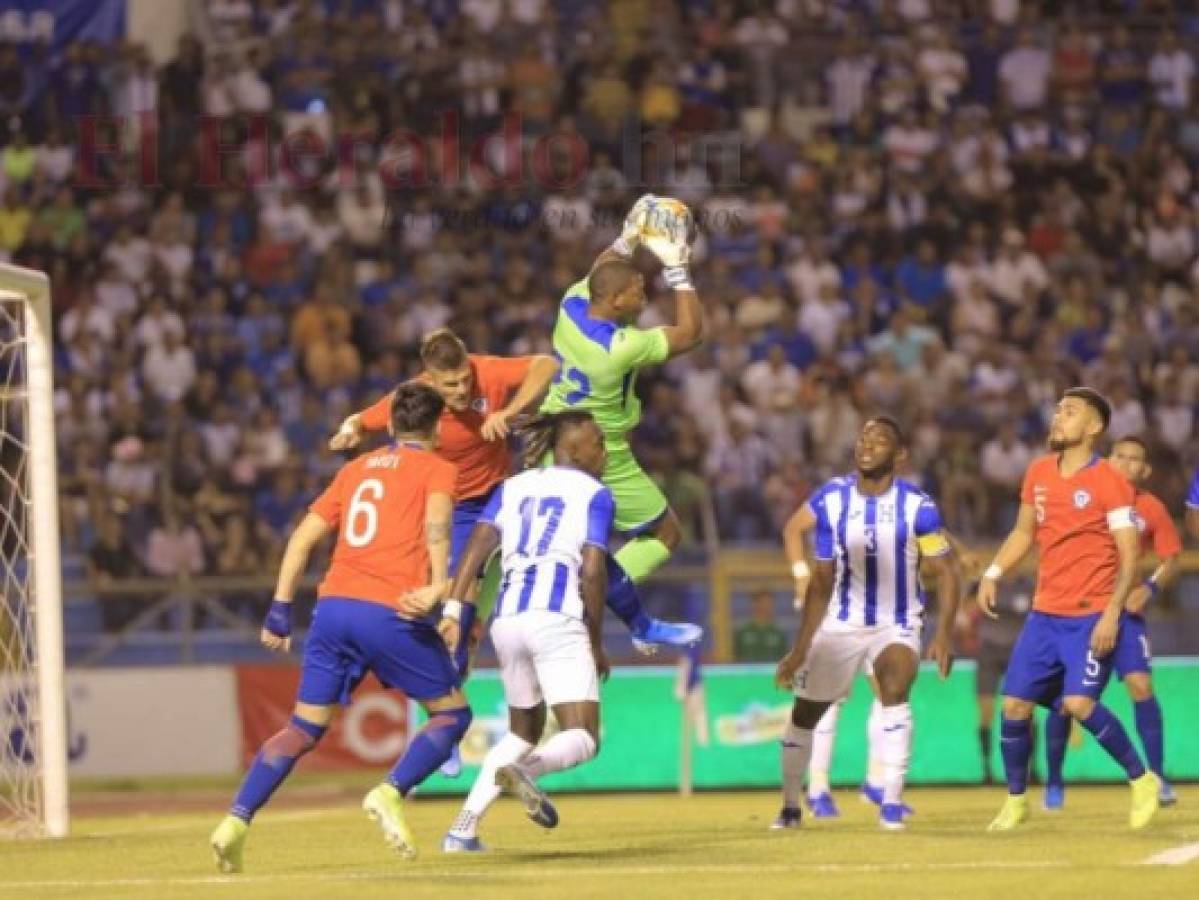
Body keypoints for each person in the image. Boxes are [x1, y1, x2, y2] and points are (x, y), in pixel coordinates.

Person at [210, 384, 472, 872]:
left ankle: (236, 820)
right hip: (389, 609)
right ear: (437, 428)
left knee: (303, 727)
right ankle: (391, 792)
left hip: (332, 610)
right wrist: (440, 586)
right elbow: (438, 522)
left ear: (390, 426)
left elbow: (303, 537)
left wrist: (280, 608)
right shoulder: (438, 469)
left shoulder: (354, 470)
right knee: (452, 715)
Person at [977, 388, 1159, 832]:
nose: (1058, 417)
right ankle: (1017, 800)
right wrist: (993, 572)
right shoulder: (1038, 472)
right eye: (1058, 410)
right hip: (1044, 616)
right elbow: (1024, 532)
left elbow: (1129, 551)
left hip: (1090, 615)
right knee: (1014, 707)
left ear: (1093, 428)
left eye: (1071, 412)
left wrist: (1113, 612)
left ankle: (1142, 779)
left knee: (1078, 703)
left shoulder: (1109, 482)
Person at [535, 194, 706, 650]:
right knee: (665, 532)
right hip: (601, 450)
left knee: (557, 543)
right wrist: (677, 267)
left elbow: (602, 268)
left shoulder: (571, 304)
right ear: (614, 302)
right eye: (635, 290)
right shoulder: (621, 347)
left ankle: (597, 595)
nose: (643, 292)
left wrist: (629, 235)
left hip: (552, 437)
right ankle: (613, 596)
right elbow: (691, 334)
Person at [773, 417, 961, 831]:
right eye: (862, 438)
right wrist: (801, 648)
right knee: (806, 713)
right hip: (841, 623)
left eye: (879, 440)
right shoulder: (831, 500)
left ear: (900, 455)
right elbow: (822, 581)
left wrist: (944, 634)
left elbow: (947, 572)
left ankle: (890, 803)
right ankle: (791, 804)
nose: (867, 445)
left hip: (897, 622)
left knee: (895, 688)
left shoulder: (918, 507)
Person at [439, 411, 613, 852]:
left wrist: (454, 610)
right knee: (585, 734)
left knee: (520, 733)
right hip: (556, 618)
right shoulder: (595, 493)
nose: (605, 451)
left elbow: (477, 548)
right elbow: (593, 569)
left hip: (508, 621)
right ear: (573, 448)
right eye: (599, 442)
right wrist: (595, 641)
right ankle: (528, 772)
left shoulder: (511, 486)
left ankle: (463, 829)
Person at [1043, 435, 1181, 808]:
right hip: (1076, 612)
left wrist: (1150, 589)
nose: (1125, 463)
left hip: (1123, 615)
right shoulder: (1084, 496)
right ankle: (1054, 782)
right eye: (1118, 455)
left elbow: (1171, 558)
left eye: (1134, 459)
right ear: (1107, 459)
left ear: (1145, 470)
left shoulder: (1150, 508)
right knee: (1063, 702)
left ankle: (1157, 776)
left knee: (1140, 684)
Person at [734, 591, 789, 662]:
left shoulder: (778, 633)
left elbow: (784, 658)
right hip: (747, 672)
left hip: (771, 672)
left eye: (769, 603)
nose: (765, 606)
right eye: (762, 602)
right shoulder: (743, 631)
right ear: (754, 604)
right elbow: (735, 656)